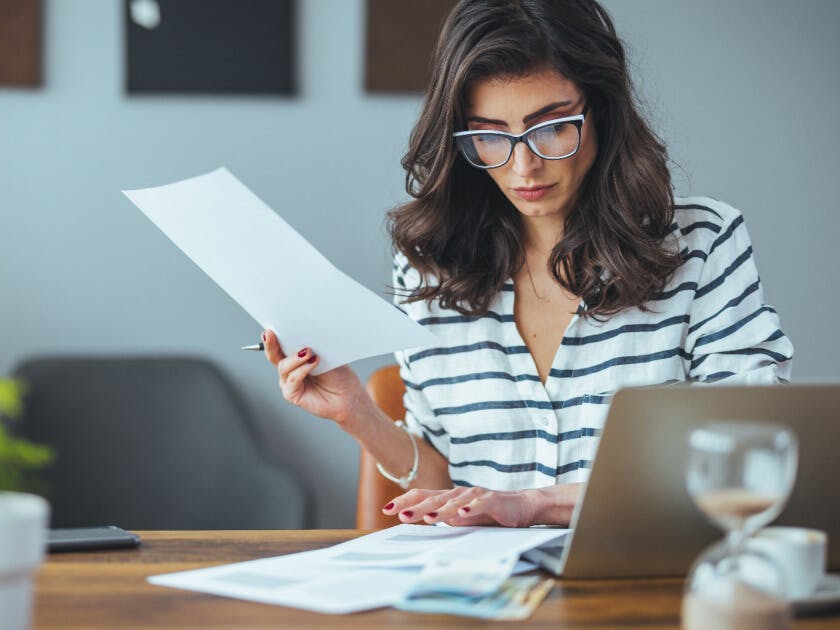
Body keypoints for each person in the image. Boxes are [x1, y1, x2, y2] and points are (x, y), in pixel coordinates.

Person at [262, 0, 792, 528]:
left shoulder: (701, 244)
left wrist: (536, 504)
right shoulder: (429, 267)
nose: (524, 167)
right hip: (484, 598)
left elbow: (745, 457)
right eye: (489, 135)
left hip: (643, 584)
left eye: (552, 127)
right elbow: (446, 491)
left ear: (601, 111)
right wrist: (358, 415)